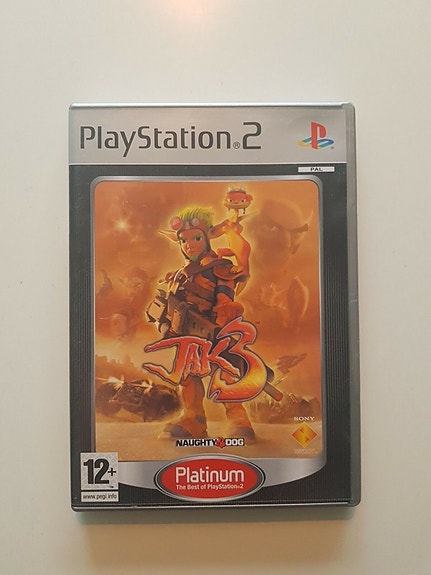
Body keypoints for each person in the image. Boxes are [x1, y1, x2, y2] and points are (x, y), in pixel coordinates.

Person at [153, 206, 255, 441]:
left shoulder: (220, 268)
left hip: (213, 331)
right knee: (188, 375)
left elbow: (226, 299)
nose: (189, 245)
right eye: (184, 240)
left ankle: (238, 418)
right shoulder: (179, 274)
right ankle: (194, 419)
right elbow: (169, 305)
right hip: (187, 336)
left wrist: (225, 315)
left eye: (196, 238)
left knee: (225, 372)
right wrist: (165, 325)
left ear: (208, 237)